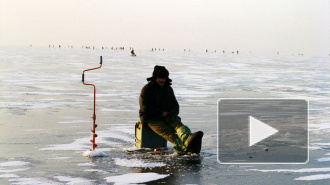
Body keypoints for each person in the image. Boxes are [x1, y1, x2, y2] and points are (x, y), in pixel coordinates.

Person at [139, 65, 203, 153]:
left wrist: (171, 114)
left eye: (163, 78)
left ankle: (188, 138)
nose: (161, 80)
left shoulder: (168, 89)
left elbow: (175, 106)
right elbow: (144, 108)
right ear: (155, 78)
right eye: (159, 78)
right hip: (151, 118)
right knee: (168, 132)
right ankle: (185, 148)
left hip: (166, 115)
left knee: (177, 123)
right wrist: (161, 113)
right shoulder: (147, 89)